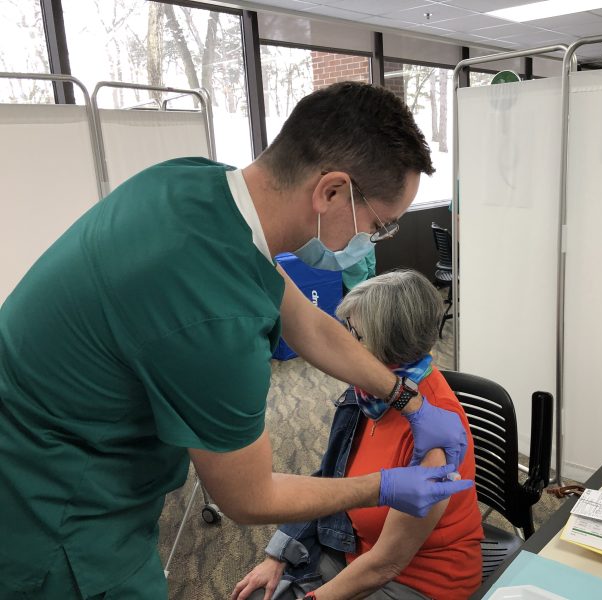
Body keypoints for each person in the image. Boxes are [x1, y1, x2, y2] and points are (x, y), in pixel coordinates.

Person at [0, 82, 471, 599]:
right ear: (332, 192)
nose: (371, 242)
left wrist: (405, 397)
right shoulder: (214, 313)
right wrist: (384, 486)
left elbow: (308, 323)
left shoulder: (192, 182)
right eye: (379, 226)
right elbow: (249, 497)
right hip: (56, 510)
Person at [232, 271, 483, 600]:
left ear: (390, 344)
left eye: (355, 334)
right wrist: (278, 553)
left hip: (418, 580)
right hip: (353, 547)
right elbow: (331, 475)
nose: (345, 343)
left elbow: (387, 565)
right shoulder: (370, 395)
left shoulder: (436, 439)